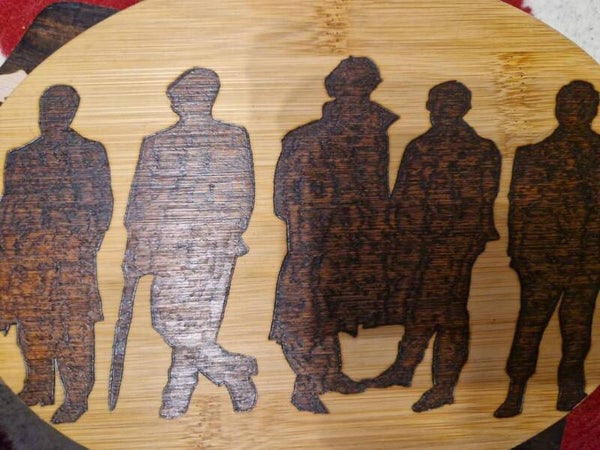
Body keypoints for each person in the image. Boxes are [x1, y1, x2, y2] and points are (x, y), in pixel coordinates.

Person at [118, 67, 257, 419]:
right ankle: (233, 373)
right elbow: (141, 200)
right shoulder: (157, 142)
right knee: (170, 324)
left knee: (194, 328)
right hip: (168, 250)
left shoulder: (233, 136)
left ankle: (176, 396)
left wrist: (223, 234)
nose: (178, 100)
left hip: (213, 250)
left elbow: (242, 193)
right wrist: (137, 247)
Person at [270, 57, 398, 413]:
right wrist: (308, 232)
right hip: (312, 241)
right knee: (303, 309)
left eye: (365, 88)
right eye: (353, 88)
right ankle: (306, 383)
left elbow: (376, 190)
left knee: (335, 308)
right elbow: (284, 200)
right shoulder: (305, 139)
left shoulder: (373, 133)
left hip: (350, 240)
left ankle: (330, 373)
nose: (361, 97)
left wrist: (373, 231)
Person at [370, 81, 501, 413]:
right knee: (422, 306)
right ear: (429, 106)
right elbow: (401, 197)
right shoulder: (419, 146)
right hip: (415, 244)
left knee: (447, 312)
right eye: (439, 102)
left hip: (454, 247)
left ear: (466, 108)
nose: (445, 109)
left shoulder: (481, 150)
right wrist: (396, 239)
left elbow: (481, 205)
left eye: (453, 102)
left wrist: (460, 247)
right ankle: (406, 368)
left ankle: (441, 384)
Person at [0, 85, 113, 423]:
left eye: (60, 107)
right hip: (29, 261)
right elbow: (8, 209)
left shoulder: (90, 153)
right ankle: (39, 385)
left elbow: (102, 206)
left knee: (74, 331)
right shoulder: (20, 156)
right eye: (48, 106)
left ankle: (76, 397)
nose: (52, 114)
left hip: (70, 261)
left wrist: (81, 246)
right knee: (33, 326)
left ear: (71, 112)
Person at [495, 80, 600, 418]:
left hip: (588, 259)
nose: (574, 111)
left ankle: (570, 389)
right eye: (567, 103)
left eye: (581, 104)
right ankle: (515, 390)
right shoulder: (532, 154)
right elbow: (518, 207)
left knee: (577, 329)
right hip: (541, 260)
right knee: (530, 326)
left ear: (593, 109)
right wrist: (518, 254)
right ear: (557, 108)